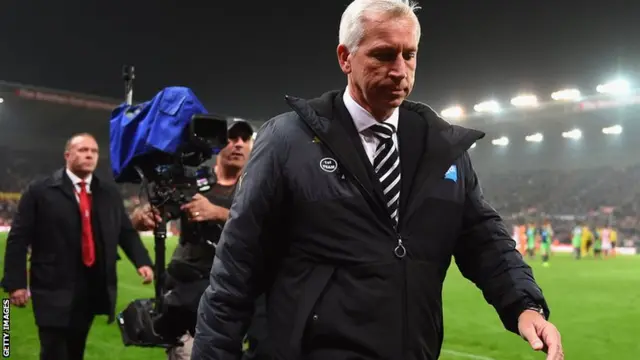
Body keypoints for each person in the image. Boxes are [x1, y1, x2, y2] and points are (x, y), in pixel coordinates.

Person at [192, 0, 564, 359]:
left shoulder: (441, 147)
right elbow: (234, 274)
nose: (400, 69)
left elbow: (484, 240)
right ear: (345, 58)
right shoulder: (288, 141)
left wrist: (524, 305)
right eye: (384, 55)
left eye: (410, 55)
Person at [2, 133, 154, 360]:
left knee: (76, 349)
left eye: (93, 151)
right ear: (67, 155)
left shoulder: (108, 193)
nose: (89, 155)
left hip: (91, 287)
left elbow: (125, 232)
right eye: (83, 150)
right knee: (53, 350)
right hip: (51, 286)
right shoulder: (41, 190)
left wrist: (142, 261)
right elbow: (18, 238)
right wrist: (15, 284)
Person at [130, 120, 266, 360]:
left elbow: (269, 230)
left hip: (237, 293)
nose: (238, 145)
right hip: (188, 290)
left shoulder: (258, 188)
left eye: (245, 139)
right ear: (218, 145)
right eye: (232, 138)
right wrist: (142, 216)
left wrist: (218, 213)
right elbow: (158, 207)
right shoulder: (193, 181)